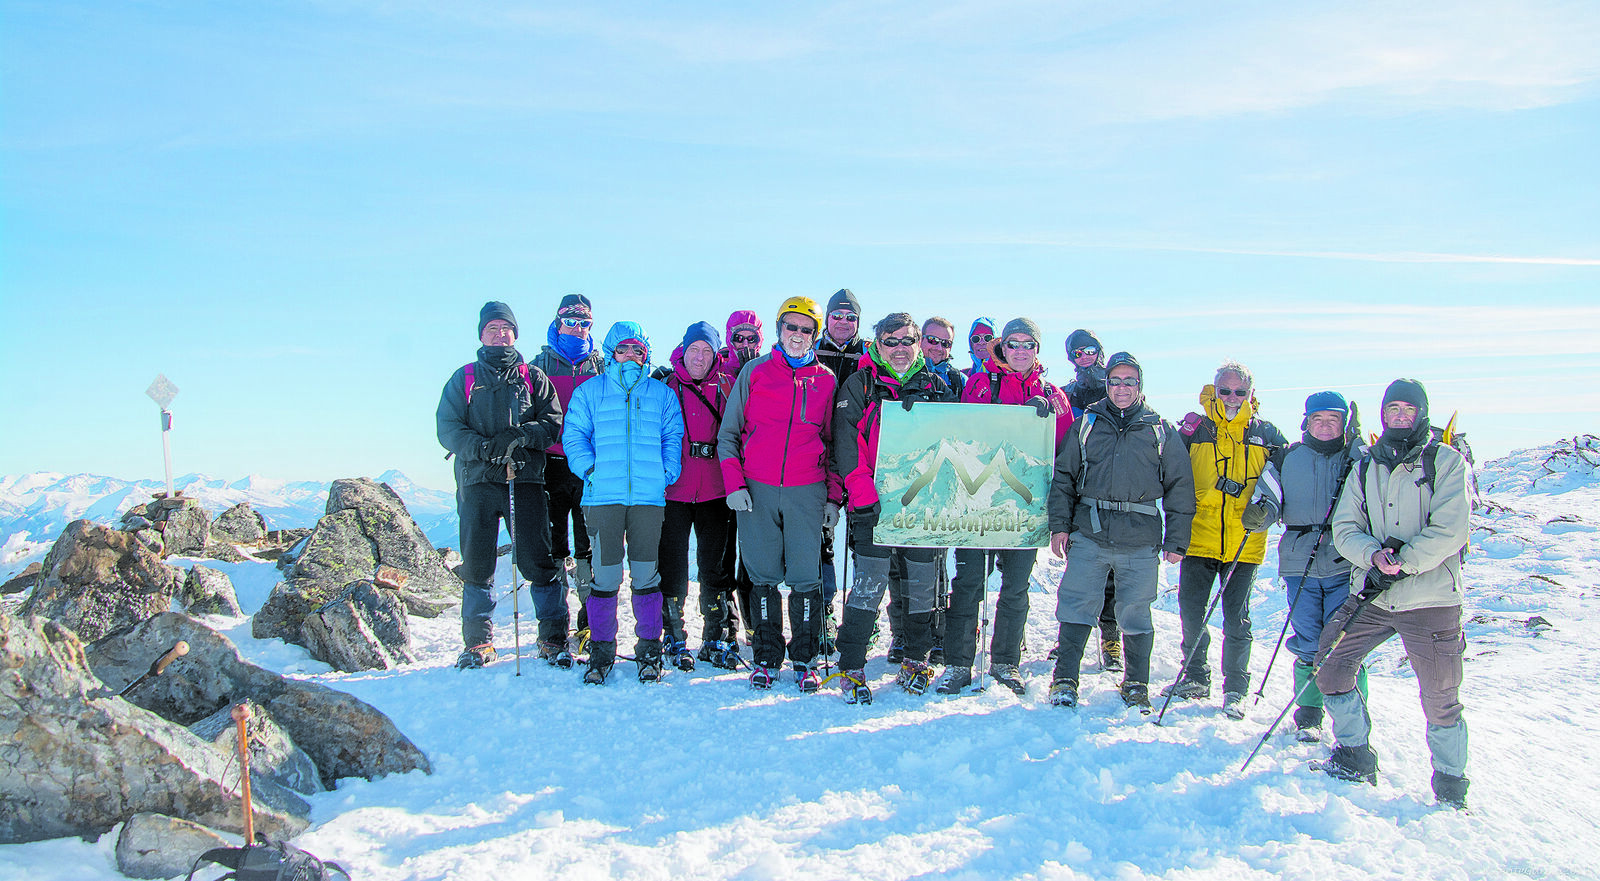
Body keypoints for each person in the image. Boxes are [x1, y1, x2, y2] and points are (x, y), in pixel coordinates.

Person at [1317, 379, 1471, 809]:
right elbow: (1345, 527)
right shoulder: (1366, 466)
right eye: (1392, 409)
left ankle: (1451, 787)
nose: (1399, 416)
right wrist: (1373, 557)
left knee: (1441, 696)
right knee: (1329, 665)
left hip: (1431, 599)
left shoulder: (1446, 461)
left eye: (1408, 409)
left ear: (1421, 413)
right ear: (1382, 413)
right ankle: (1354, 756)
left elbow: (1451, 528)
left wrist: (1402, 562)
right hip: (1374, 595)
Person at [1045, 352, 1195, 710]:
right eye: (1115, 381)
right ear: (1107, 384)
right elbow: (1064, 476)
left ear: (1140, 385)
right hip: (1089, 531)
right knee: (1076, 605)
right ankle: (1065, 679)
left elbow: (1180, 486)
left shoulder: (1159, 429)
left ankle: (1136, 684)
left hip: (1140, 536)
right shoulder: (1088, 423)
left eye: (1129, 381)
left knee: (1135, 611)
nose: (1122, 387)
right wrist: (1059, 526)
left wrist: (1177, 539)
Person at [935, 317, 1073, 696]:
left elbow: (1065, 454)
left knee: (1015, 586)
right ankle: (958, 663)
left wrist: (1049, 419)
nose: (1020, 351)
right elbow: (963, 434)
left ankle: (1005, 661)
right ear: (1002, 347)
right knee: (968, 584)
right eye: (1013, 344)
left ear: (1038, 350)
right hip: (978, 501)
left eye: (1029, 344)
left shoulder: (1055, 394)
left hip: (1025, 506)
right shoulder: (980, 383)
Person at [830, 313, 959, 703]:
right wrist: (863, 497)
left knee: (921, 586)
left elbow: (954, 443)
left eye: (908, 340)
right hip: (874, 506)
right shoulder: (860, 384)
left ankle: (915, 657)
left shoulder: (937, 387)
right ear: (877, 345)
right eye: (891, 341)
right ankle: (851, 663)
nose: (900, 349)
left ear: (919, 343)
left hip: (922, 508)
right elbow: (846, 447)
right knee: (870, 584)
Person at [717, 296, 843, 691]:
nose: (798, 335)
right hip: (757, 490)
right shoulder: (754, 373)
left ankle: (804, 658)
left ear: (815, 334)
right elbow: (728, 436)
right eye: (792, 327)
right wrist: (734, 485)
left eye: (807, 330)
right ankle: (767, 657)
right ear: (779, 329)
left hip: (807, 492)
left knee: (806, 577)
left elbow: (833, 443)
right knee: (764, 576)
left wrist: (833, 499)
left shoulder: (825, 380)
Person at [435, 302, 567, 669]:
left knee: (537, 559)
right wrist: (480, 447)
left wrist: (520, 436)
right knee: (477, 562)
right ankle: (477, 642)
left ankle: (553, 637)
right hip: (477, 481)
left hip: (522, 479)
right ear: (481, 335)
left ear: (515, 333)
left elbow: (552, 423)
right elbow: (448, 428)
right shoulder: (463, 378)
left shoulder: (533, 378)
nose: (499, 334)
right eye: (492, 328)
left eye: (505, 328)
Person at [562, 321, 685, 684]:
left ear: (646, 354)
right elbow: (574, 434)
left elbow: (672, 435)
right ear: (611, 352)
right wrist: (589, 468)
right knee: (607, 577)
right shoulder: (591, 392)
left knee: (646, 575)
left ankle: (649, 649)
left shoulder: (660, 394)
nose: (630, 355)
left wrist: (667, 471)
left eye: (637, 350)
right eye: (623, 349)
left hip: (648, 499)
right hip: (602, 498)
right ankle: (601, 651)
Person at [1166, 361, 1288, 719]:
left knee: (1237, 618)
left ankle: (1235, 688)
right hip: (1199, 537)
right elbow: (1170, 476)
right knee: (1191, 612)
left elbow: (1284, 482)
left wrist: (1268, 511)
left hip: (1244, 543)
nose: (1232, 397)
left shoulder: (1267, 434)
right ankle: (1195, 677)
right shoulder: (1194, 430)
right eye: (1225, 390)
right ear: (1214, 390)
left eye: (1240, 391)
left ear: (1251, 394)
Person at [1241, 391, 1366, 741]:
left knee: (1345, 643)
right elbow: (1268, 497)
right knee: (1309, 637)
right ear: (1306, 422)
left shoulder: (1358, 458)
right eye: (1318, 419)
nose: (1325, 427)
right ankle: (1308, 714)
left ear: (1345, 423)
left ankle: (1353, 717)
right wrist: (1261, 513)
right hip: (1300, 561)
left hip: (1347, 561)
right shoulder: (1287, 458)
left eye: (1334, 420)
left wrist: (1357, 442)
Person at [655, 321, 739, 671]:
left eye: (706, 350)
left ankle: (715, 636)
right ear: (683, 350)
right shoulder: (664, 386)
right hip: (673, 490)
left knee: (715, 566)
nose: (699, 357)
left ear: (715, 353)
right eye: (694, 350)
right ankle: (674, 635)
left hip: (717, 491)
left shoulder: (729, 385)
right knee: (672, 566)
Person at [531, 294, 608, 634]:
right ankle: (554, 625)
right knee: (552, 547)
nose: (577, 329)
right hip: (548, 466)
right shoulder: (538, 367)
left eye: (584, 323)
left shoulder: (601, 366)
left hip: (588, 467)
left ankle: (588, 623)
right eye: (571, 321)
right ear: (558, 322)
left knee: (588, 547)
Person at [1058, 328, 1122, 673]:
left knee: (1112, 570)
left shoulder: (1117, 388)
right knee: (1079, 568)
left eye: (1090, 349)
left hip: (1112, 487)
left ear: (1100, 350)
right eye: (1077, 352)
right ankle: (1071, 636)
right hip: (1079, 485)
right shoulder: (1068, 393)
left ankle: (1111, 636)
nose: (1085, 356)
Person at [813, 289, 867, 645]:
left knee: (864, 542)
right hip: (819, 457)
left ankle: (865, 615)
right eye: (837, 316)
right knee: (822, 540)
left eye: (850, 317)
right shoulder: (811, 351)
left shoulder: (870, 356)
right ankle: (823, 613)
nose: (843, 323)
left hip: (860, 455)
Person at [916, 316, 966, 662]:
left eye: (945, 343)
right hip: (904, 478)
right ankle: (905, 634)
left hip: (942, 480)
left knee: (935, 563)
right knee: (900, 563)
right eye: (931, 340)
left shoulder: (957, 380)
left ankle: (936, 633)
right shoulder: (904, 370)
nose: (937, 348)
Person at [714, 308, 764, 646]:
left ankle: (752, 626)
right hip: (718, 479)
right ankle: (724, 625)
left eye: (752, 338)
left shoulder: (766, 371)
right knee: (721, 557)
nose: (744, 343)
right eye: (738, 338)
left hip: (756, 478)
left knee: (752, 559)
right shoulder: (718, 372)